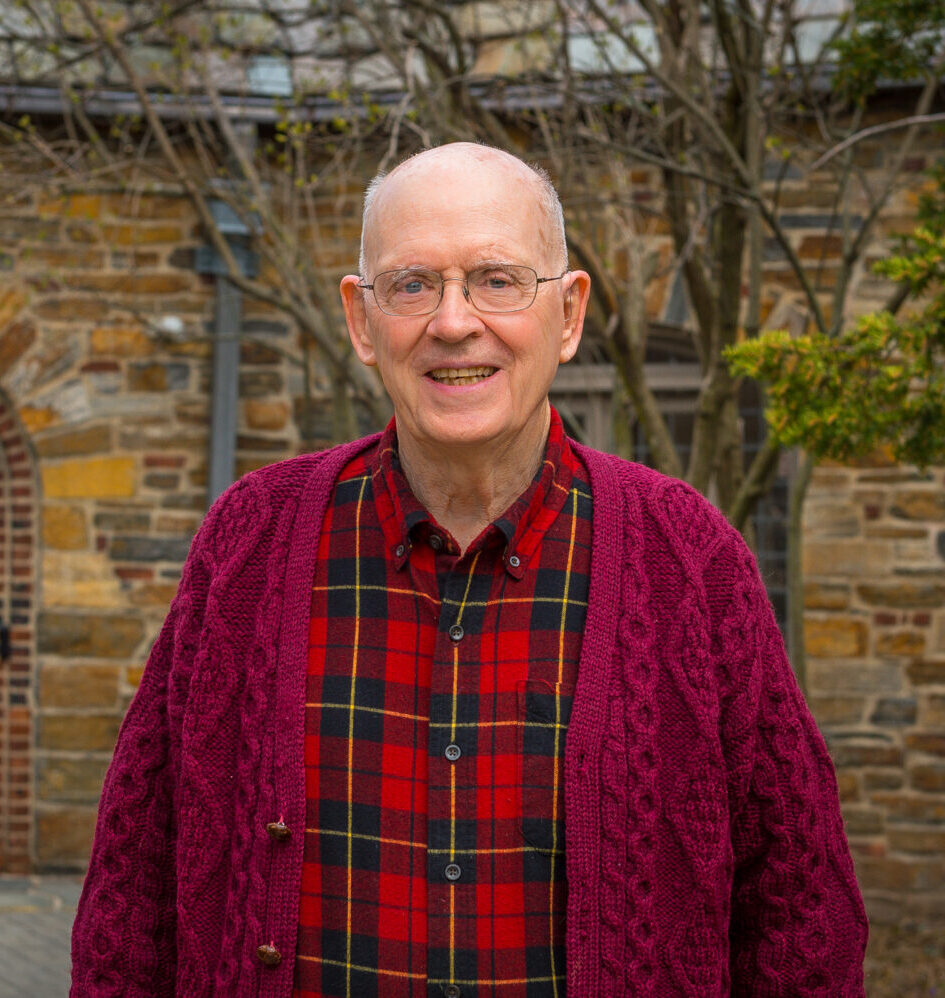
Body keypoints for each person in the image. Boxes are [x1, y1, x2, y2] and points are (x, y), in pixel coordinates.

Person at [71, 142, 867, 997]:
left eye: (497, 280)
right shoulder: (250, 542)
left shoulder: (688, 557)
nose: (453, 323)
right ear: (360, 320)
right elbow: (134, 886)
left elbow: (798, 911)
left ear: (567, 316)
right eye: (412, 285)